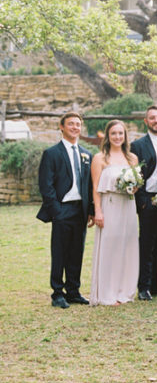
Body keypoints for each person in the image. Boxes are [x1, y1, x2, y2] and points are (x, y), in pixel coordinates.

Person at [37, 112, 93, 308]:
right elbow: (46, 185)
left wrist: (91, 210)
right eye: (71, 124)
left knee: (77, 251)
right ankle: (57, 293)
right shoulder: (52, 153)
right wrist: (56, 211)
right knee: (59, 252)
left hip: (80, 210)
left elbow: (89, 185)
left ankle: (73, 291)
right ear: (61, 127)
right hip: (62, 209)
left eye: (78, 124)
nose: (75, 127)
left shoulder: (87, 154)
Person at [89, 120, 140, 305]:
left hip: (128, 204)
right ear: (108, 136)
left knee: (127, 247)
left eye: (121, 133)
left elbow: (135, 185)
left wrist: (133, 187)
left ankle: (124, 290)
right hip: (109, 204)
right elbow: (95, 188)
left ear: (125, 136)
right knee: (110, 248)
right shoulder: (100, 158)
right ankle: (106, 292)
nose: (117, 137)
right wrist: (98, 212)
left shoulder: (132, 158)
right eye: (114, 134)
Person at [131, 105, 157, 300]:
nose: (156, 121)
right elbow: (136, 175)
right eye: (152, 118)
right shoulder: (138, 145)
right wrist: (142, 202)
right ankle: (144, 286)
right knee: (147, 244)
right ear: (146, 121)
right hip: (149, 199)